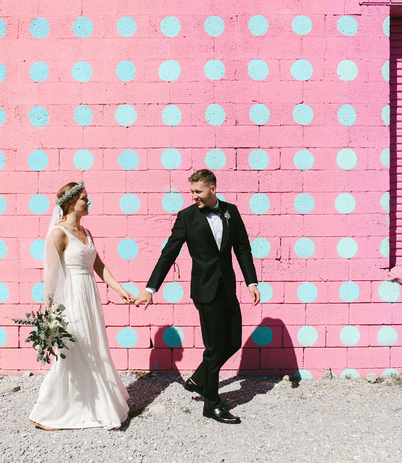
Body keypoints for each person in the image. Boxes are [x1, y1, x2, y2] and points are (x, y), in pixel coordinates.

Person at [135, 169, 260, 424]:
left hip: (227, 288)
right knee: (214, 347)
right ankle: (211, 404)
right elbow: (168, 254)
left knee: (234, 341)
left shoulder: (231, 212)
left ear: (213, 189)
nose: (194, 197)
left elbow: (243, 249)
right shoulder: (186, 217)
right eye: (191, 192)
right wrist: (150, 289)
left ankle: (198, 379)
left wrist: (252, 281)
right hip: (205, 290)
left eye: (198, 191)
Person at [29, 181, 134, 430]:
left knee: (94, 346)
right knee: (75, 350)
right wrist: (51, 312)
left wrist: (120, 290)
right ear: (70, 203)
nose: (89, 202)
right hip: (72, 298)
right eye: (84, 199)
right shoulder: (58, 233)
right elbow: (52, 276)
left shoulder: (87, 233)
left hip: (90, 296)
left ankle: (96, 403)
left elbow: (99, 266)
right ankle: (49, 411)